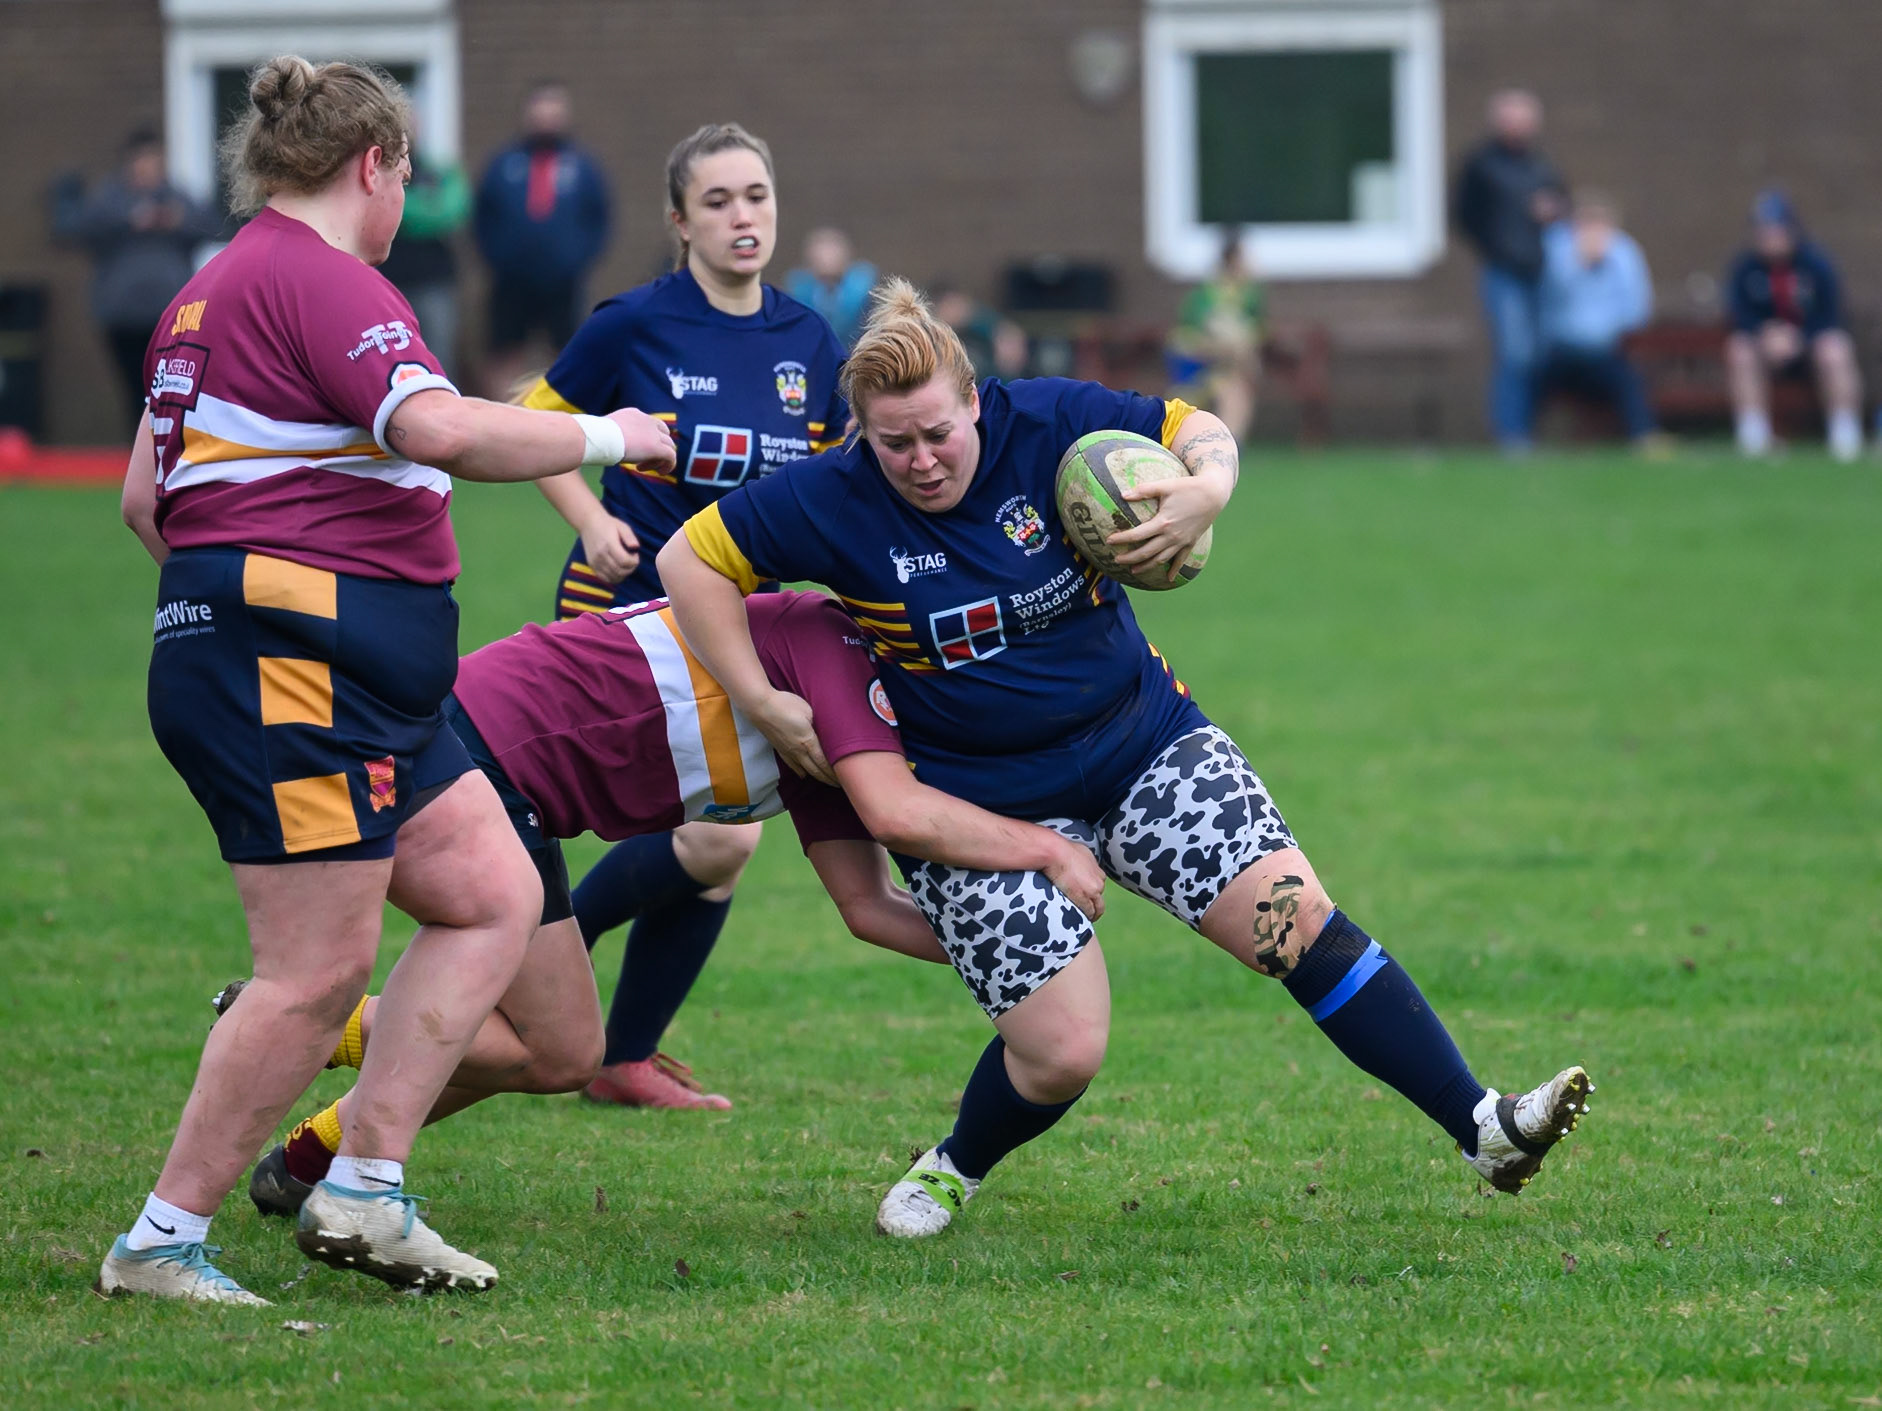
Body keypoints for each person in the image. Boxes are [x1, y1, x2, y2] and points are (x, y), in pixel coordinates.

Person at [658, 279, 1593, 1239]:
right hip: (979, 799)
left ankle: (1485, 1127)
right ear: (861, 434)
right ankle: (955, 1162)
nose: (922, 459)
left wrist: (1205, 492)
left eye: (938, 431)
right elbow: (690, 560)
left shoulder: (1052, 421)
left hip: (1141, 741)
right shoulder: (833, 497)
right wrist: (764, 697)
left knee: (1295, 923)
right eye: (894, 443)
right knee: (1063, 1050)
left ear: (976, 400)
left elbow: (1199, 426)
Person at [100, 56, 675, 1306]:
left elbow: (149, 499)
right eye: (405, 175)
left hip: (347, 676)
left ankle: (364, 1187)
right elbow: (439, 430)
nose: (404, 196)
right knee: (312, 973)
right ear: (375, 166)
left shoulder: (202, 295)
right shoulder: (321, 278)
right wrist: (610, 435)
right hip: (303, 670)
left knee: (490, 893)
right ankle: (159, 1240)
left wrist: (233, 593)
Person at [212, 590, 1106, 1214]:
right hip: (463, 753)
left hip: (518, 793)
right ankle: (326, 1073)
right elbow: (898, 814)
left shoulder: (859, 740)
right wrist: (1038, 880)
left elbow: (867, 907)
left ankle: (313, 1142)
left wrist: (1018, 956)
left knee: (560, 1048)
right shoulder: (833, 649)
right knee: (557, 1043)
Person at [519, 123, 848, 1110]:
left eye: (756, 195)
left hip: (728, 619)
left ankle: (615, 1050)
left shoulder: (807, 340)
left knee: (721, 841)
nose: (742, 216)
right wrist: (592, 514)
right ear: (679, 221)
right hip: (621, 607)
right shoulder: (634, 324)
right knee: (709, 836)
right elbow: (528, 421)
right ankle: (530, 964)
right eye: (717, 202)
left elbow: (830, 487)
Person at [50, 127, 224, 434]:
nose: (147, 167)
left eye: (153, 160)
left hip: (171, 319)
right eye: (141, 160)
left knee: (171, 392)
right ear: (130, 163)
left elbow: (213, 224)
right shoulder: (110, 198)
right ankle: (138, 457)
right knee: (134, 393)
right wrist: (131, 219)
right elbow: (80, 229)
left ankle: (166, 451)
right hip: (123, 318)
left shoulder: (177, 197)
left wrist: (175, 220)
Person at [474, 81, 611, 398]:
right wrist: (498, 258)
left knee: (567, 353)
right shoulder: (504, 163)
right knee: (503, 353)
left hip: (563, 281)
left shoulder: (582, 166)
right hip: (511, 281)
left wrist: (578, 258)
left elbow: (600, 218)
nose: (546, 117)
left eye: (554, 109)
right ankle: (501, 421)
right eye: (540, 108)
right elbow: (483, 216)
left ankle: (561, 419)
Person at [1454, 89, 1570, 452]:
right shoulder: (1480, 164)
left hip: (1541, 270)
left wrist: (1554, 211)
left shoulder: (1541, 164)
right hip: (1503, 270)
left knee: (1539, 352)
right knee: (1514, 352)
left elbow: (1564, 205)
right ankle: (1511, 436)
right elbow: (1463, 215)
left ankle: (1529, 430)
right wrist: (1494, 246)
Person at [1724, 192, 1864, 460]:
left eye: (1776, 231)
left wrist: (1799, 337)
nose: (1770, 238)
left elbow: (1832, 314)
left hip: (1809, 345)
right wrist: (1765, 334)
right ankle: (1753, 437)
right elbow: (1738, 314)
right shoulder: (1745, 268)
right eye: (1763, 231)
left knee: (1836, 350)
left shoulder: (1817, 264)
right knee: (1738, 350)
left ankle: (1845, 435)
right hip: (1764, 347)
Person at [1531, 193, 1661, 449]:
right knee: (1529, 376)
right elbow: (1546, 300)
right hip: (1560, 350)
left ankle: (1644, 438)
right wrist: (1579, 264)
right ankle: (1520, 444)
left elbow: (1637, 310)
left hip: (1606, 351)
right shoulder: (1555, 249)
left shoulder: (1625, 254)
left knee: (1628, 379)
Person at [378, 119, 470, 377]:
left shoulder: (440, 172)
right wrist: (424, 210)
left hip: (434, 282)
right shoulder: (376, 173)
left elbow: (451, 211)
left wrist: (404, 211)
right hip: (387, 281)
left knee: (439, 355)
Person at [1166, 228, 1265, 443]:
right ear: (1232, 260)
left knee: (1234, 395)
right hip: (1197, 368)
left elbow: (1258, 334)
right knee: (1193, 402)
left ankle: (1229, 446)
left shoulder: (1250, 297)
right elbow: (1184, 340)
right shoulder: (1204, 296)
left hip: (1228, 370)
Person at [784, 227, 877, 348]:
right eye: (821, 255)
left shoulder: (863, 291)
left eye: (832, 253)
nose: (826, 260)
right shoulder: (800, 292)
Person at [934, 282, 1029, 382]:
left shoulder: (981, 324)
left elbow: (1007, 334)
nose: (954, 310)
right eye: (948, 305)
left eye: (955, 303)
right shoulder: (934, 337)